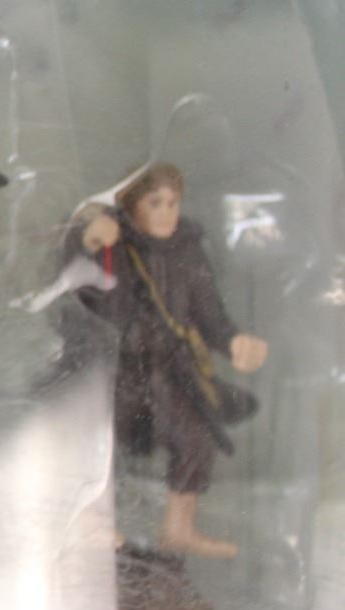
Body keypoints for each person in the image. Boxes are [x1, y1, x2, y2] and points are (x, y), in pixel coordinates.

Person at [68, 162, 267, 558]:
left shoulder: (188, 250)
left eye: (173, 203)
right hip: (115, 367)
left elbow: (210, 314)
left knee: (196, 435)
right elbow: (77, 292)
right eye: (155, 202)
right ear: (132, 204)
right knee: (98, 438)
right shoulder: (113, 241)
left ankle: (179, 527)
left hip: (169, 369)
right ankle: (91, 521)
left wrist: (234, 342)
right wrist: (89, 238)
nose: (166, 212)